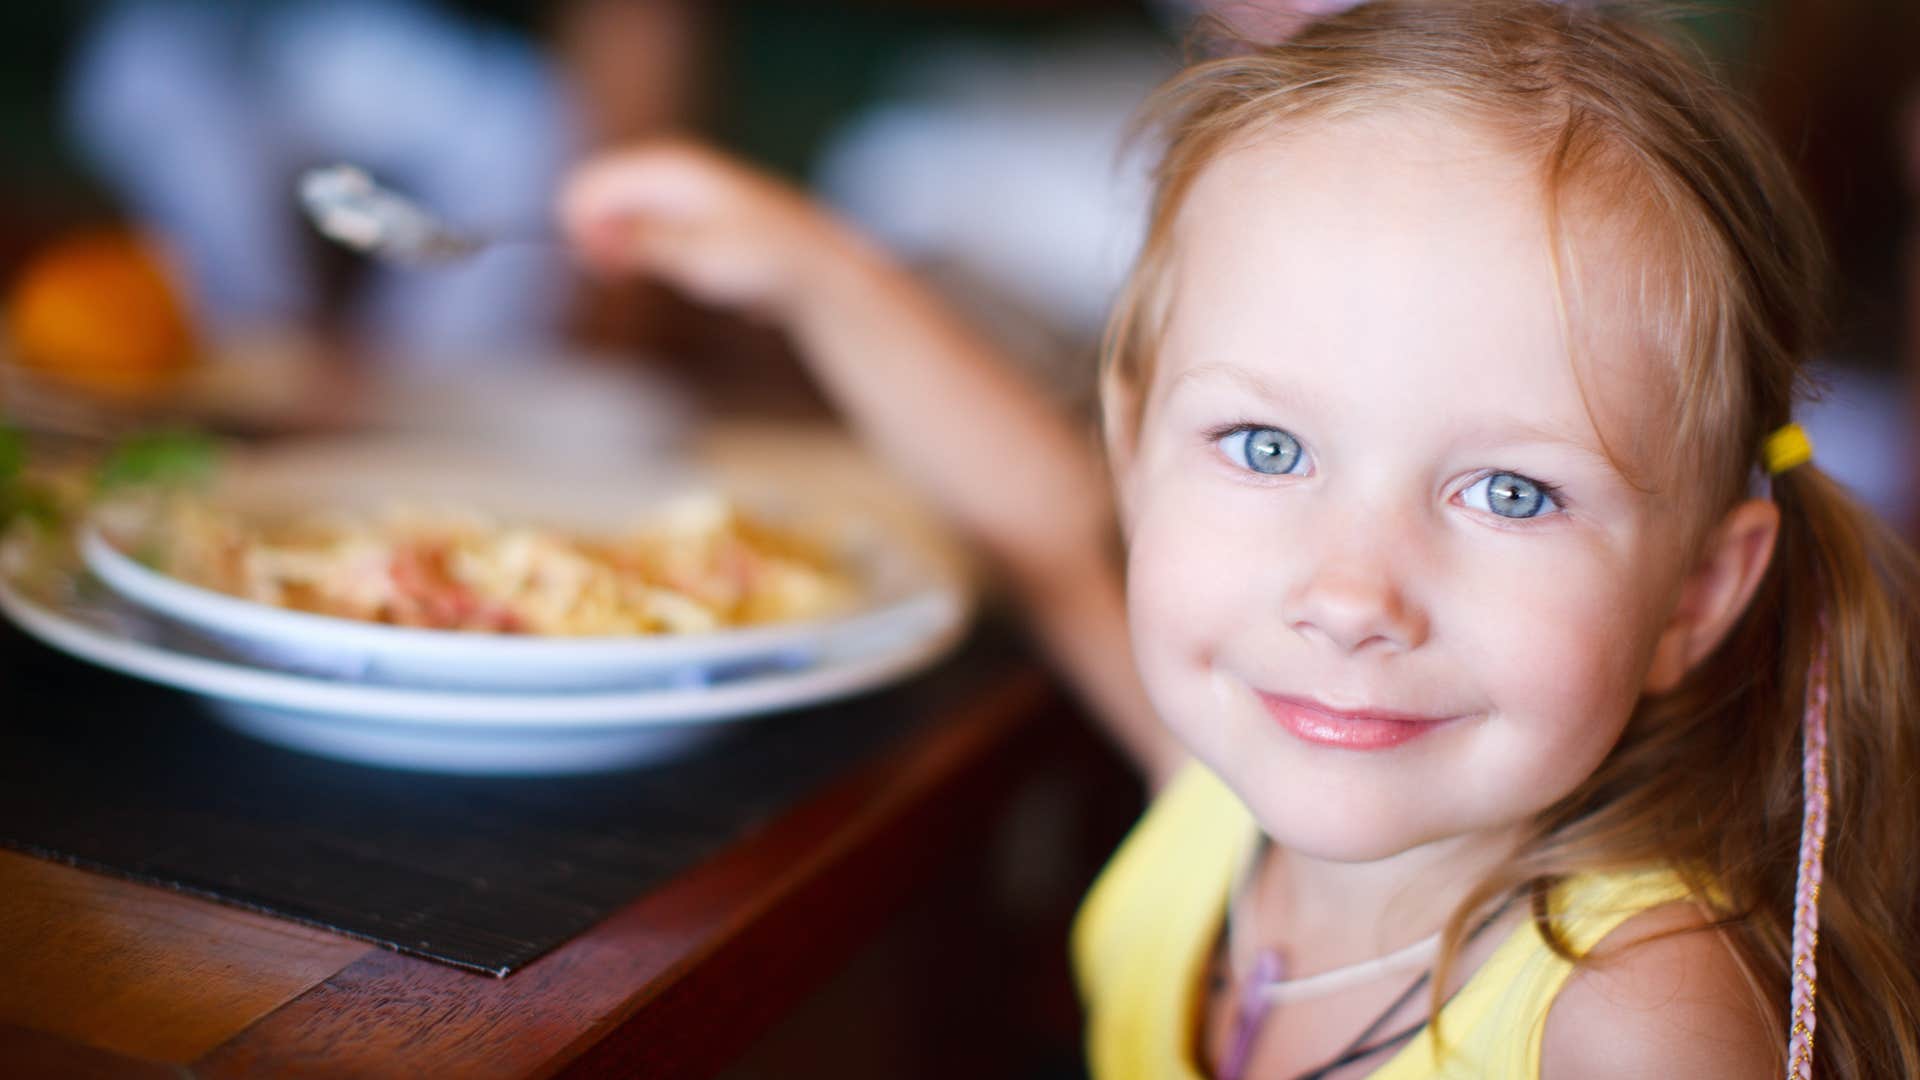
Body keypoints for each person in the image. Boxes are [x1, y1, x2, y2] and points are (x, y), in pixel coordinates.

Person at [557, 2, 1920, 1075]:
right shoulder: (1217, 811)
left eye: (1510, 491)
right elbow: (1037, 525)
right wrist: (812, 270)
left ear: (1699, 592)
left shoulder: (1636, 1020)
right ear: (1138, 454)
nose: (1349, 596)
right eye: (1267, 449)